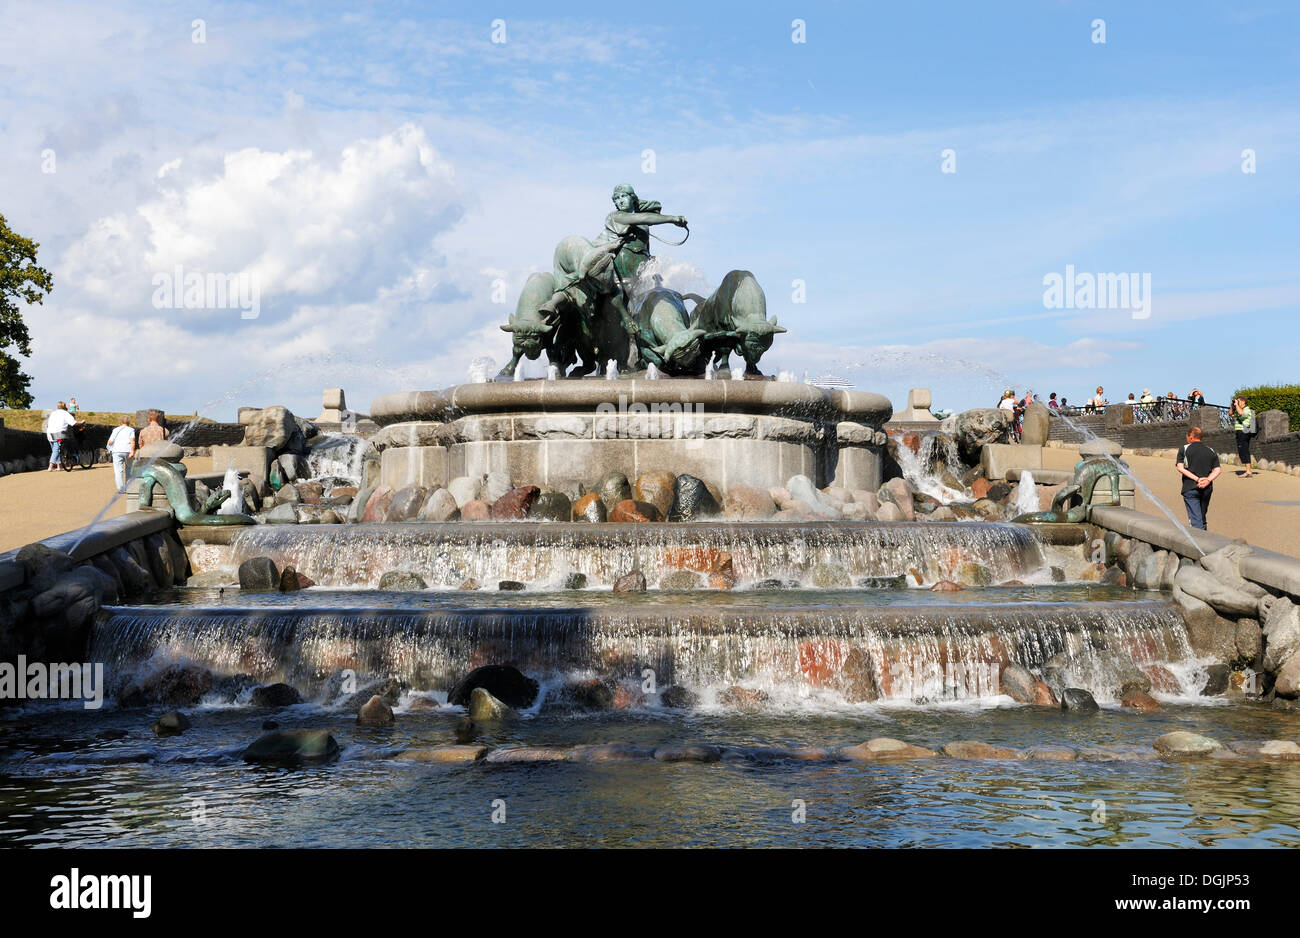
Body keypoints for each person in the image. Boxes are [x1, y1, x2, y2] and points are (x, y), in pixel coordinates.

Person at [1176, 426, 1221, 530]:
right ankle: (1205, 539)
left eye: (1187, 436)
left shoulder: (1184, 449)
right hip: (1207, 489)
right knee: (1201, 517)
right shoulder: (1211, 450)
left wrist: (1197, 479)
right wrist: (1208, 480)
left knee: (1195, 521)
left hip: (1191, 487)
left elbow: (1180, 468)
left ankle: (1200, 543)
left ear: (1191, 437)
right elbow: (1217, 470)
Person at [43, 402, 78, 471]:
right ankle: (50, 466)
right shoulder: (65, 413)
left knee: (56, 450)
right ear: (65, 407)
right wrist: (81, 422)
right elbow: (73, 423)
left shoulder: (53, 413)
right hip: (59, 434)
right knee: (56, 450)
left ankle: (59, 466)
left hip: (49, 433)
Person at [106, 415, 137, 493]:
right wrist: (132, 451)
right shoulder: (131, 430)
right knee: (129, 469)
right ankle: (128, 487)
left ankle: (120, 488)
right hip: (127, 450)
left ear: (120, 421)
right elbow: (132, 441)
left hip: (117, 451)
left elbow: (110, 442)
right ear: (129, 422)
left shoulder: (115, 430)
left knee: (118, 471)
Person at [1230, 396, 1257, 477]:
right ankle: (1248, 471)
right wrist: (1232, 406)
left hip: (1244, 431)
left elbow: (1241, 413)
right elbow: (1230, 414)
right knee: (1242, 450)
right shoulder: (1239, 410)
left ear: (1243, 402)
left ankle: (1248, 471)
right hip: (1240, 432)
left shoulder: (1247, 410)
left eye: (1238, 401)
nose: (1237, 403)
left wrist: (1237, 405)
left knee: (1244, 450)